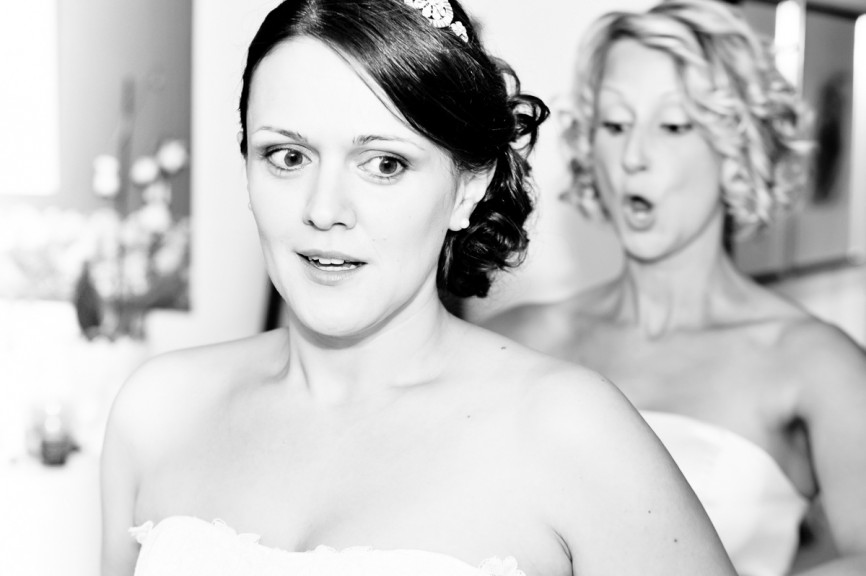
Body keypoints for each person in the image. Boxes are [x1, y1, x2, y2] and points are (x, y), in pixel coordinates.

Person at [99, 1, 739, 575]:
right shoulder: (159, 411)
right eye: (288, 156)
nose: (324, 209)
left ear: (467, 187)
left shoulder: (569, 430)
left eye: (385, 164)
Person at [484, 1, 866, 575]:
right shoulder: (518, 340)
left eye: (674, 126)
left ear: (735, 149)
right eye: (615, 125)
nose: (634, 158)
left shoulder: (812, 362)